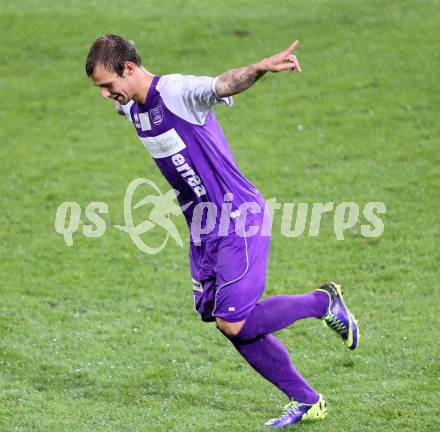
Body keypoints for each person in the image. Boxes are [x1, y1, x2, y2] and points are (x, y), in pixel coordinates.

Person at [85, 34, 359, 428]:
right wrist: (119, 98)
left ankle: (322, 302)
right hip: (202, 229)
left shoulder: (177, 92)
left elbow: (223, 83)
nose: (106, 95)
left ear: (129, 69)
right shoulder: (131, 108)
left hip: (237, 217)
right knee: (224, 320)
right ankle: (307, 400)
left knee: (234, 320)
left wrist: (259, 69)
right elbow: (135, 111)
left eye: (108, 86)